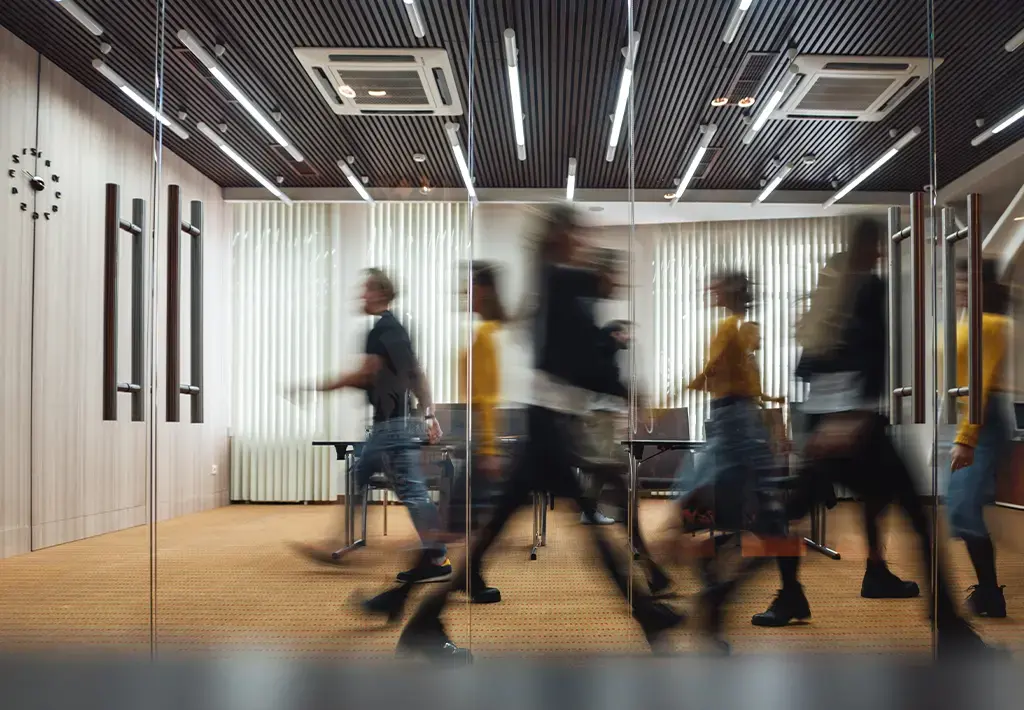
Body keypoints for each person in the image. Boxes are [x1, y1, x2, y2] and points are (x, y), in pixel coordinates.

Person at [394, 204, 684, 662]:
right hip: (547, 425)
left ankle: (422, 619)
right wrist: (624, 386)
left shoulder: (552, 280)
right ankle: (646, 614)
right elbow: (576, 359)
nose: (583, 242)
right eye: (577, 233)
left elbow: (572, 351)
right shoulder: (558, 281)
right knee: (583, 530)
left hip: (549, 423)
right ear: (560, 235)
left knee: (506, 530)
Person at [744, 219, 991, 655]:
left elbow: (808, 366)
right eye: (875, 246)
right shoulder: (867, 288)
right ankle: (946, 623)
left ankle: (793, 592)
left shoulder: (831, 294)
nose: (879, 254)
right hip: (852, 422)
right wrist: (853, 413)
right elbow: (873, 354)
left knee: (799, 511)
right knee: (914, 515)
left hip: (827, 419)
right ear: (867, 246)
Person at [292, 268, 450, 584]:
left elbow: (365, 375)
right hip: (396, 422)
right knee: (367, 477)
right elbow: (417, 374)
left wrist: (316, 387)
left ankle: (436, 557)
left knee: (409, 489)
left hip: (391, 425)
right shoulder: (399, 329)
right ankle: (343, 544)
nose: (360, 295)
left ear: (379, 293)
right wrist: (429, 416)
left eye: (364, 290)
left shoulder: (380, 330)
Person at [947, 258, 1011, 618]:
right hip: (971, 420)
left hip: (982, 421)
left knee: (964, 508)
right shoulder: (970, 322)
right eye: (956, 282)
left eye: (965, 283)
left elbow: (980, 383)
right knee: (961, 509)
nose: (958, 289)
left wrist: (967, 438)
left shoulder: (988, 325)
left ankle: (990, 592)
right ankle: (988, 591)